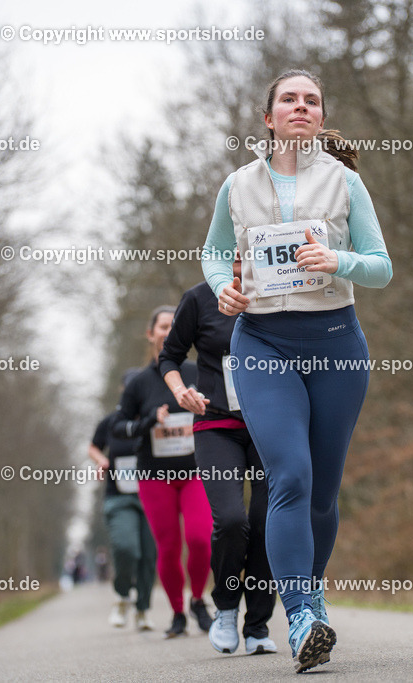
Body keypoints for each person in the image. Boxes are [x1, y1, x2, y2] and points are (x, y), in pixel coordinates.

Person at [201, 69, 392, 672]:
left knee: (323, 492)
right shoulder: (237, 185)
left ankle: (310, 590)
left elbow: (381, 267)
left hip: (336, 343)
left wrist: (336, 259)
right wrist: (222, 289)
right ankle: (303, 612)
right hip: (262, 344)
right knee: (289, 474)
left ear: (321, 115)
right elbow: (212, 252)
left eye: (311, 100)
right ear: (269, 117)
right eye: (289, 99)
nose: (301, 107)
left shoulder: (345, 182)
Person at [159, 257, 277, 656]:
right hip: (216, 427)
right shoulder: (199, 298)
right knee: (230, 520)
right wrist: (181, 393)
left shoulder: (281, 289)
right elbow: (169, 357)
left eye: (249, 246)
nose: (241, 258)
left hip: (271, 427)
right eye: (233, 249)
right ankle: (226, 608)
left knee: (266, 525)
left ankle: (258, 626)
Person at [112, 306, 214, 638]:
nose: (169, 332)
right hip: (155, 478)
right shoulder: (139, 383)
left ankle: (198, 600)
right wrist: (149, 422)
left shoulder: (198, 372)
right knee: (168, 548)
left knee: (200, 539)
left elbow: (220, 411)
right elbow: (118, 428)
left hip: (195, 472)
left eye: (175, 326)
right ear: (151, 333)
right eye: (163, 326)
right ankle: (176, 613)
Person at [87, 376, 157, 631]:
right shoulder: (110, 422)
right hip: (119, 497)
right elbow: (93, 447)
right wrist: (100, 460)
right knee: (127, 548)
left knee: (149, 556)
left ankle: (143, 610)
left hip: (153, 495)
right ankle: (122, 595)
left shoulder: (155, 419)